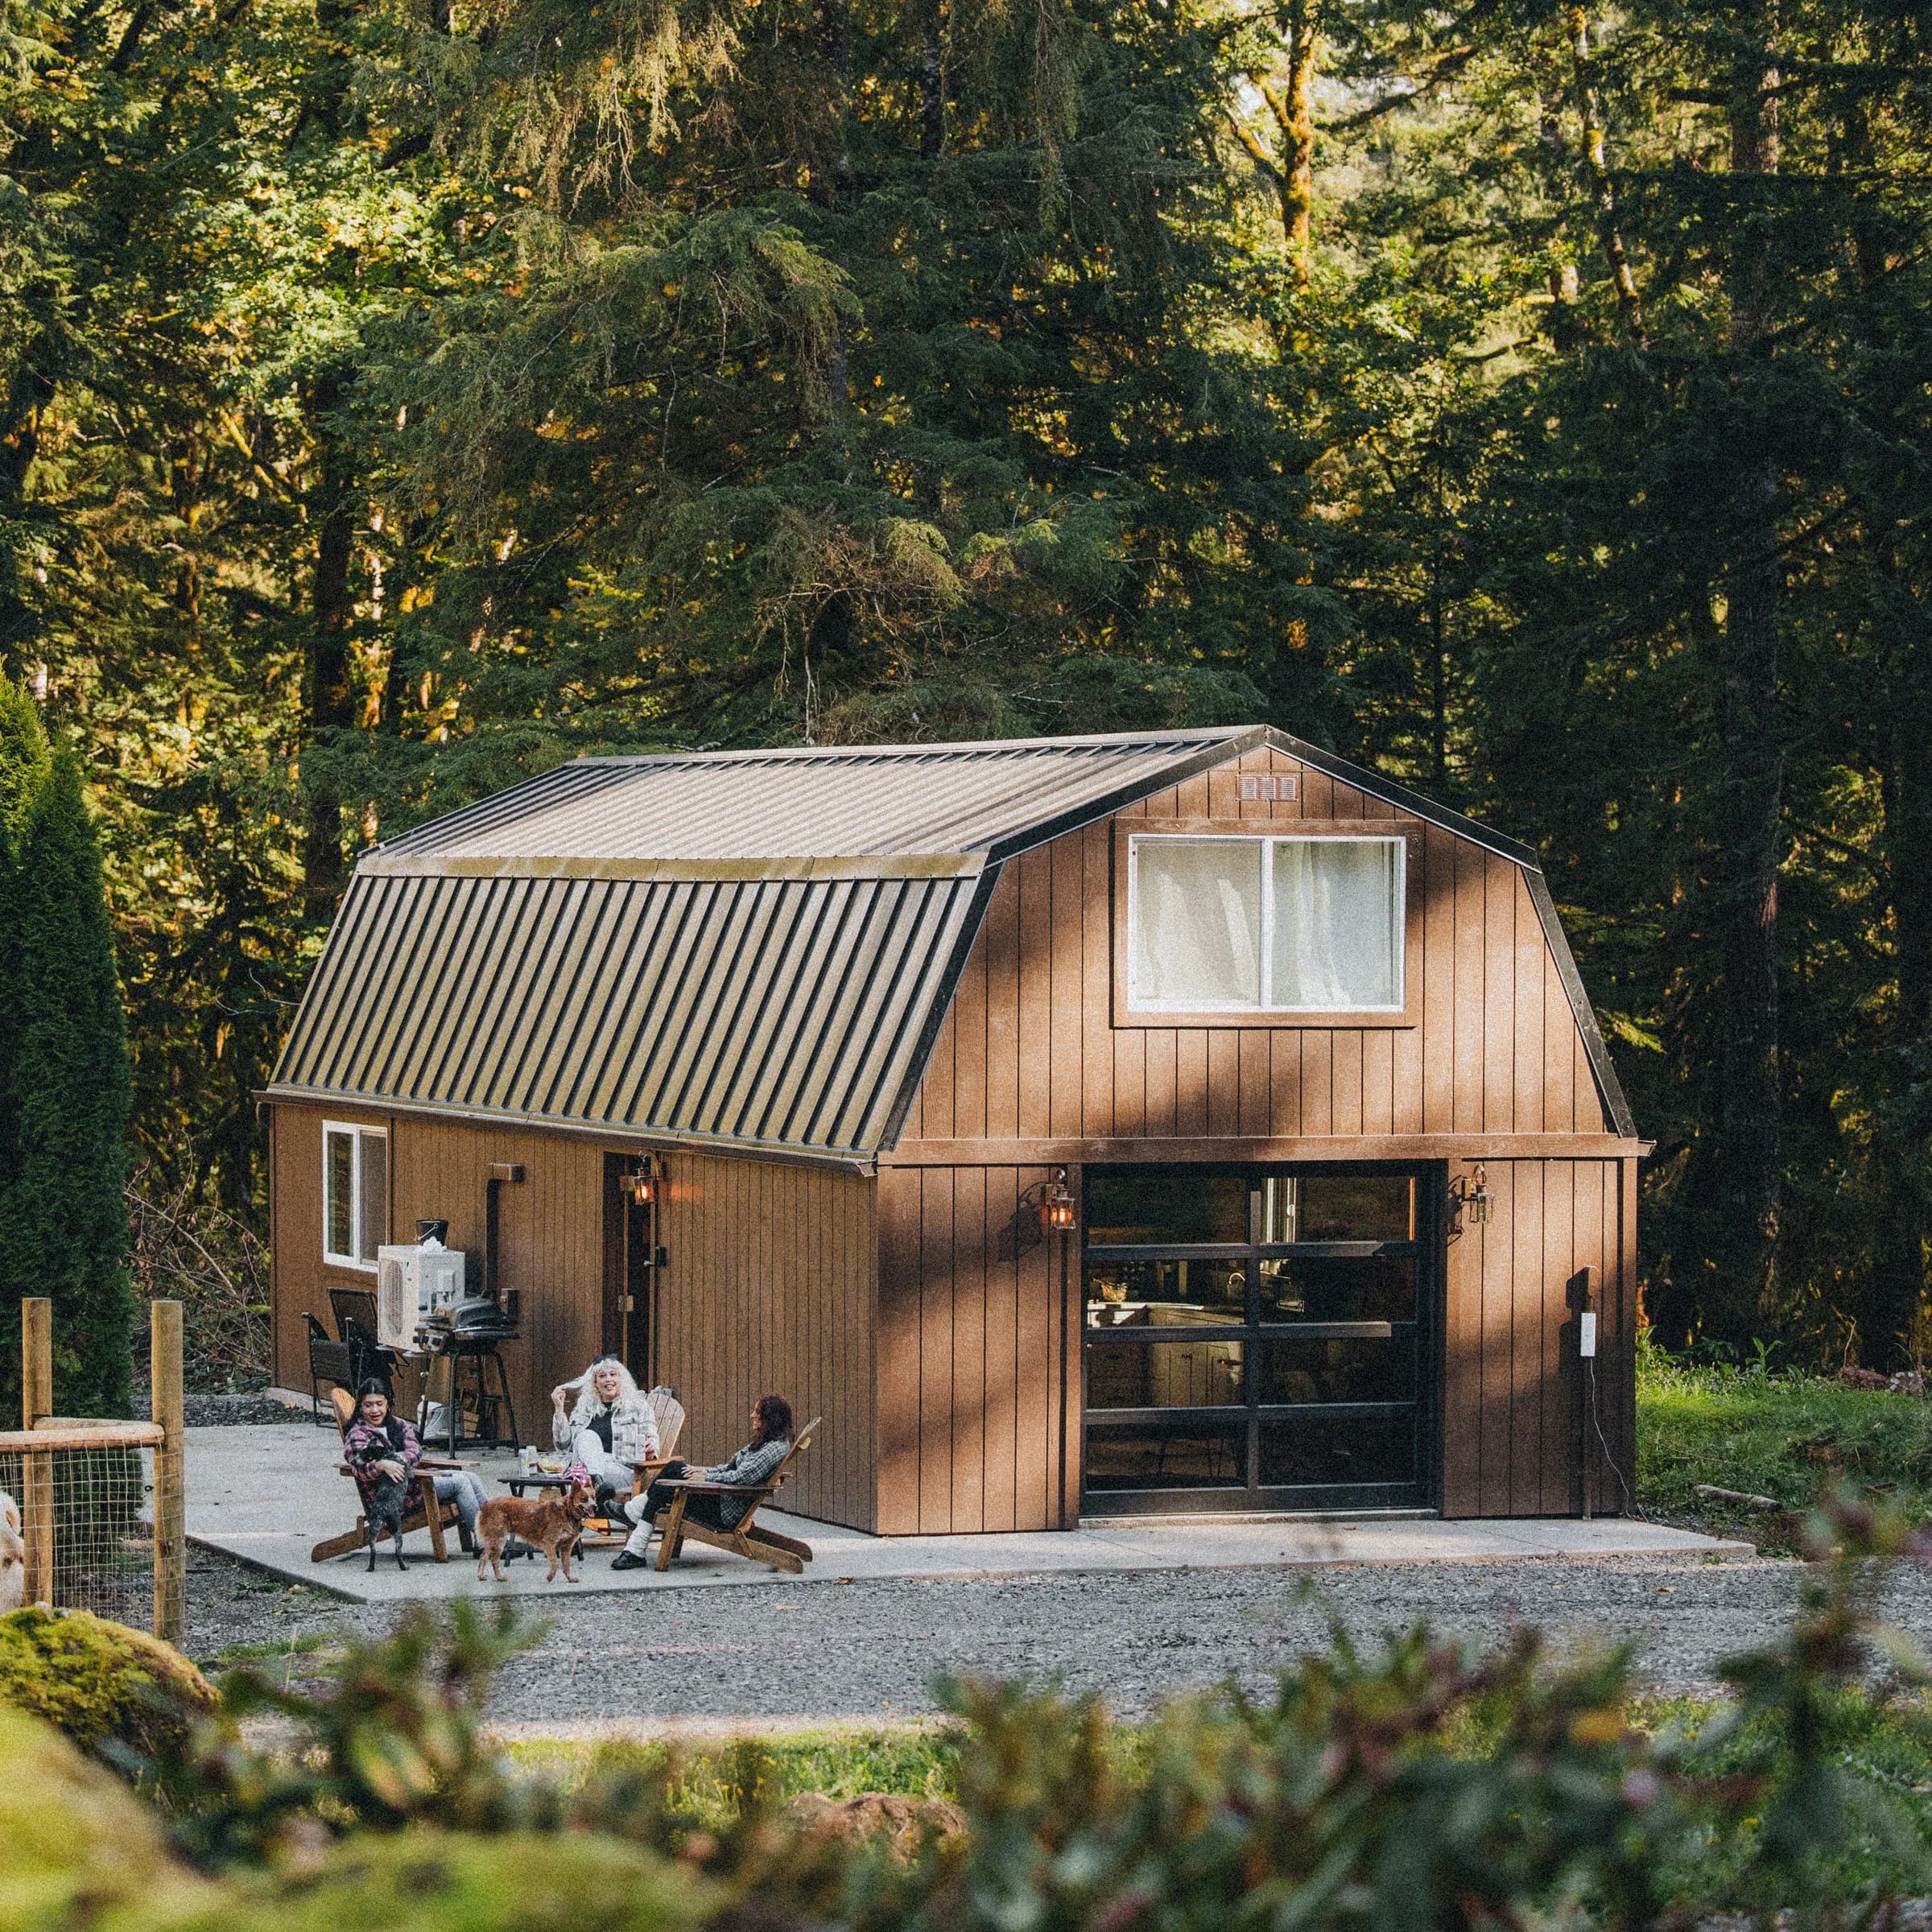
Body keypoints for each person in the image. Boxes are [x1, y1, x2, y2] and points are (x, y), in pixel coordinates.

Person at [612, 1393, 792, 1571]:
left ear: (770, 1418)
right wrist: (704, 1471)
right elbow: (730, 1468)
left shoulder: (772, 1449)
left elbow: (741, 1478)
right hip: (724, 1498)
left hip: (725, 1511)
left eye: (757, 1412)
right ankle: (634, 1532)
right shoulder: (767, 1441)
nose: (752, 1415)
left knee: (673, 1473)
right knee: (676, 1469)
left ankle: (634, 1529)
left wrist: (707, 1477)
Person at [341, 1381, 491, 1546]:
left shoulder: (398, 1425)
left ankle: (492, 1535)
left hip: (414, 1484)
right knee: (460, 1482)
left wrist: (395, 1459)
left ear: (388, 1404)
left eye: (379, 1404)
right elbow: (358, 1467)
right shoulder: (358, 1434)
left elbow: (415, 1451)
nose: (375, 1410)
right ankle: (485, 1541)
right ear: (360, 1407)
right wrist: (380, 1465)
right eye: (368, 1405)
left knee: (472, 1477)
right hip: (394, 1497)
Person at [551, 1357, 661, 1517]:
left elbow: (652, 1441)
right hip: (585, 1473)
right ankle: (598, 1484)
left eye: (613, 1374)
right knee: (587, 1436)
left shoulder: (638, 1407)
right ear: (595, 1384)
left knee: (587, 1461)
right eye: (602, 1376)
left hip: (622, 1470)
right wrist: (559, 1410)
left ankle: (595, 1485)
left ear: (621, 1379)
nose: (608, 1379)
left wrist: (650, 1451)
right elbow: (562, 1447)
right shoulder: (584, 1409)